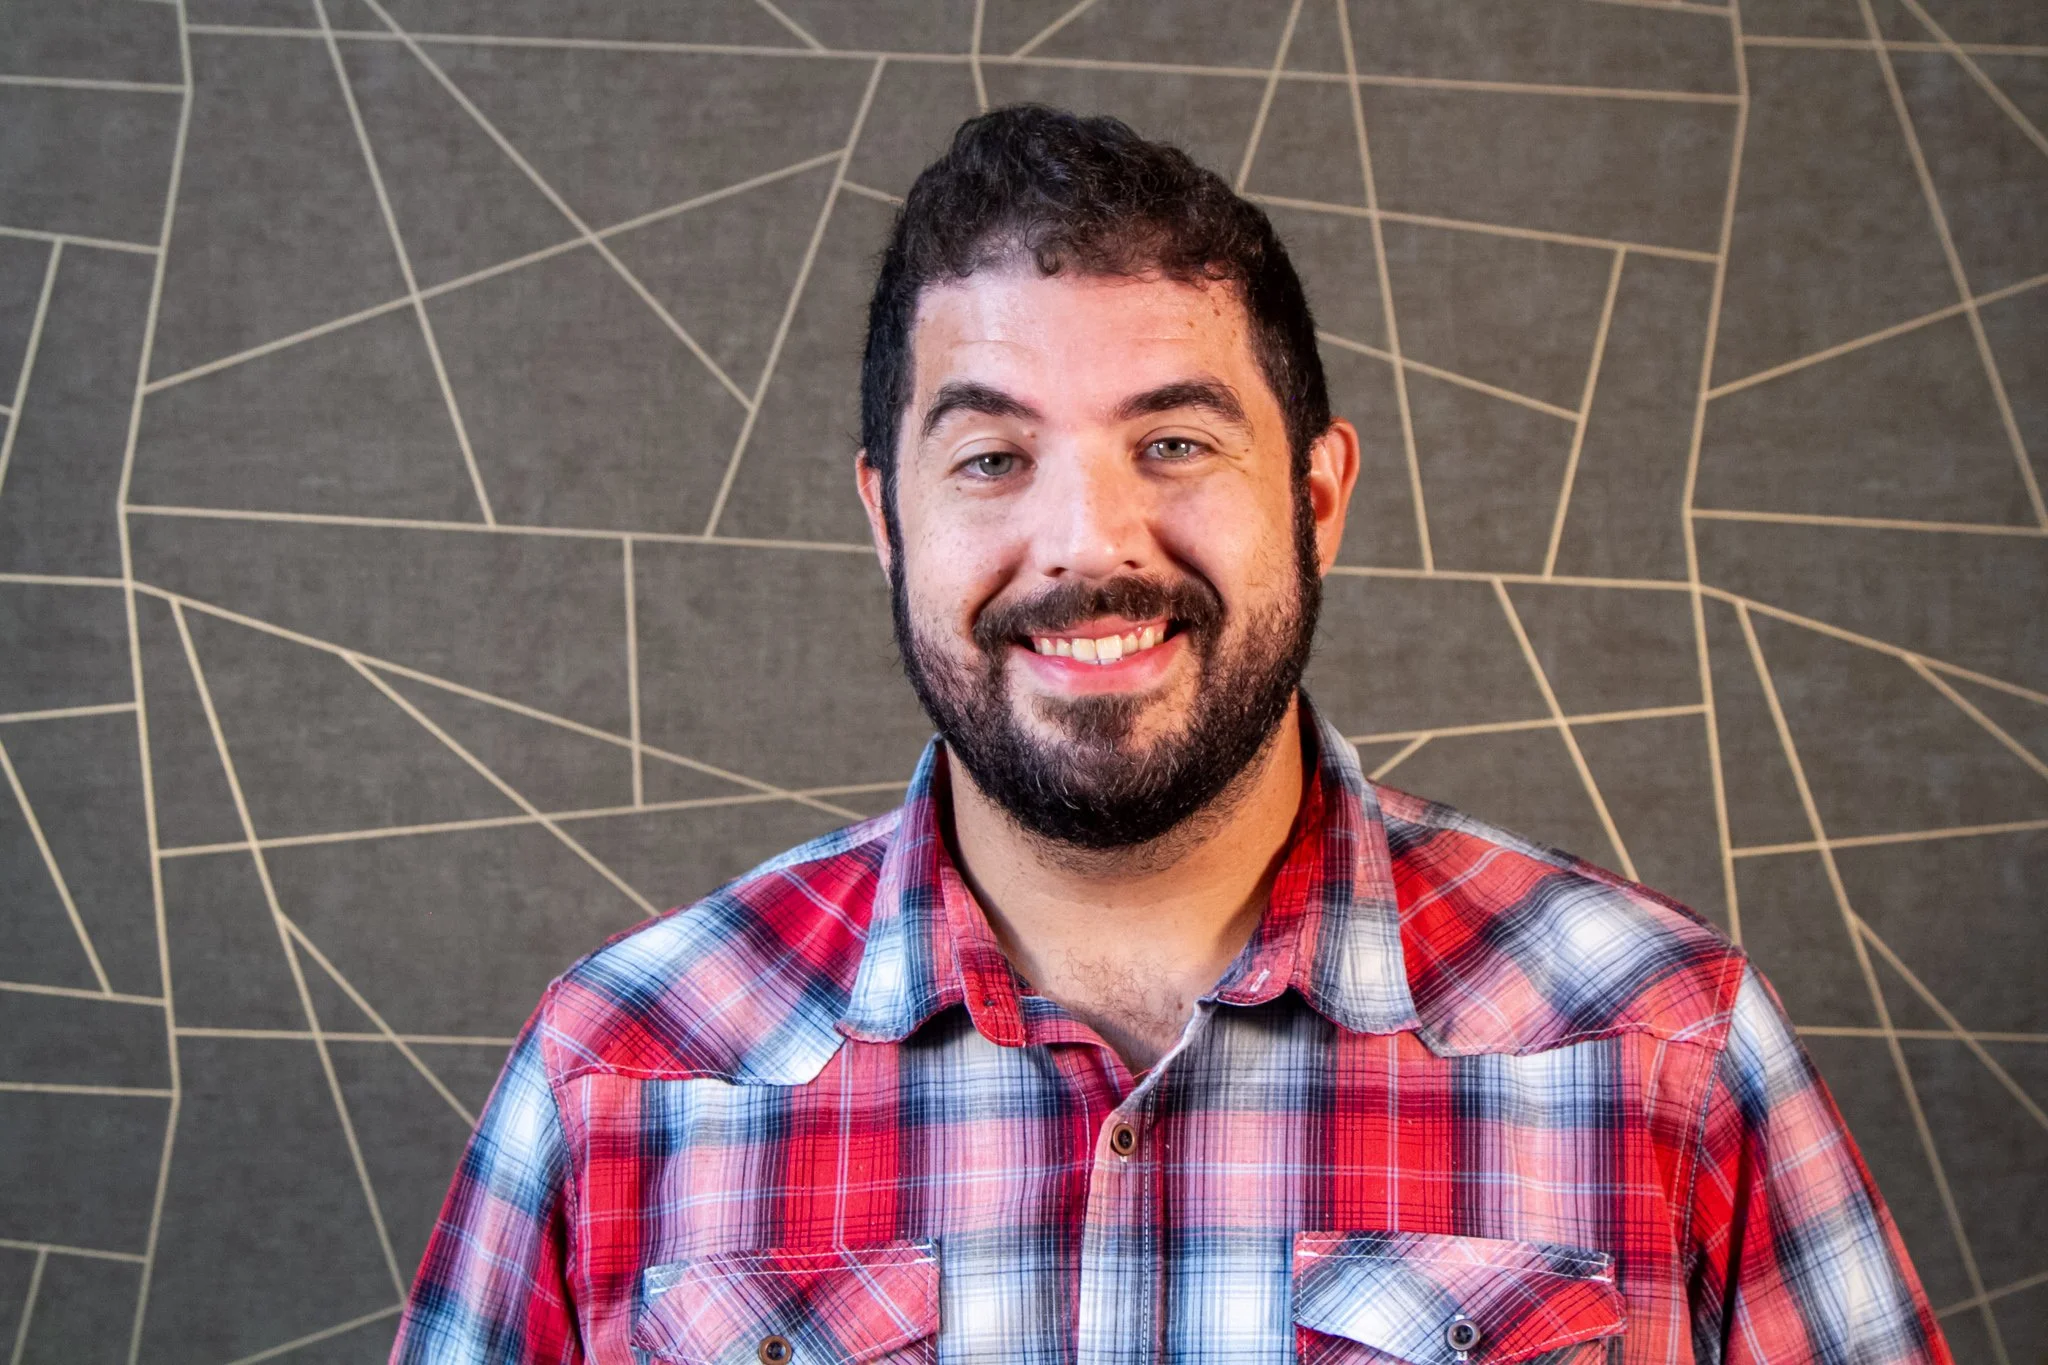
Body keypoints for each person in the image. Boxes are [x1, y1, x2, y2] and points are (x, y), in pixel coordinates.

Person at [390, 105, 1950, 1364]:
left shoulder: (1662, 1046)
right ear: (887, 520)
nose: (1090, 543)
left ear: (1317, 499)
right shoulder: (623, 1075)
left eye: (1176, 441)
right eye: (992, 458)